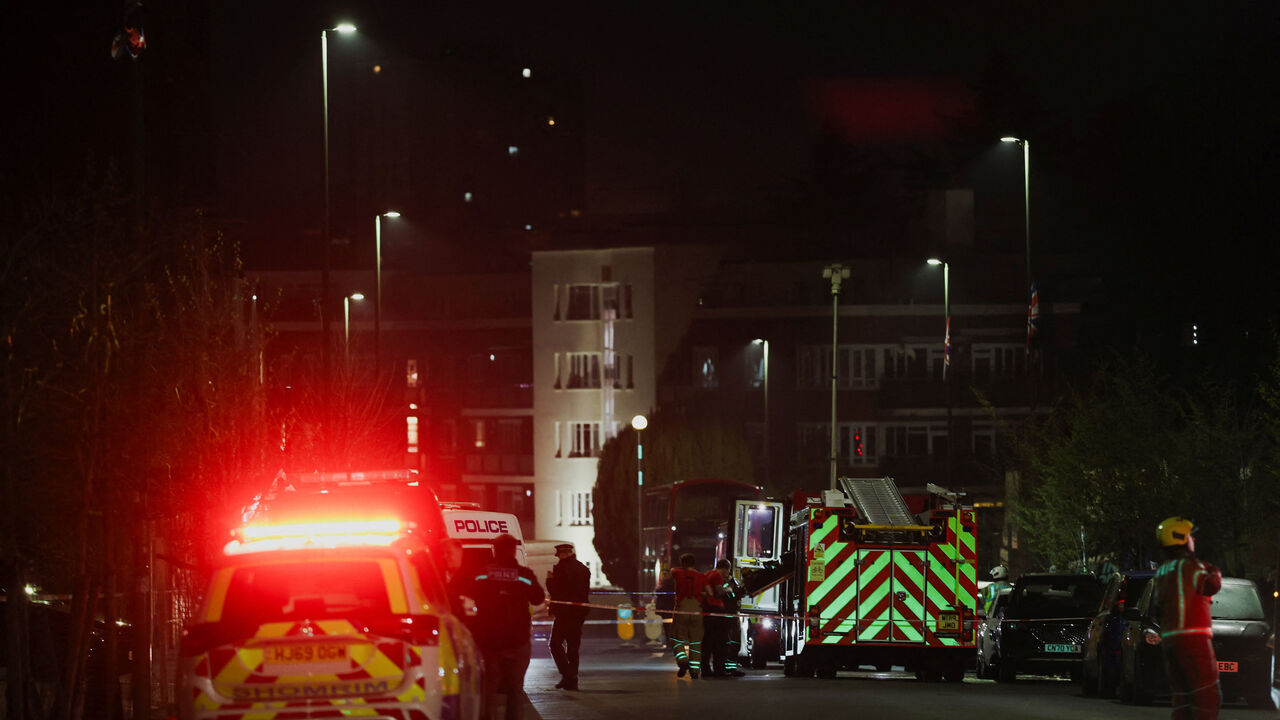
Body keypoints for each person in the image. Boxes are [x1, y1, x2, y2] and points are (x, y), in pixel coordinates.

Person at [453, 534, 546, 720]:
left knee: (489, 690)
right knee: (515, 690)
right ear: (513, 550)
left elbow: (467, 592)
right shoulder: (524, 575)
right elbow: (538, 598)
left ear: (495, 550)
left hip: (489, 642)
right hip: (517, 640)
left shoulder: (483, 574)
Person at [1153, 516, 1222, 720]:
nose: (1193, 540)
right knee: (1206, 696)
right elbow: (1211, 585)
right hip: (1193, 639)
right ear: (1180, 537)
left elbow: (1158, 606)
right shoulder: (1189, 566)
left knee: (1182, 698)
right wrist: (1214, 570)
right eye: (1190, 536)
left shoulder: (1163, 570)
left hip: (1170, 640)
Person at [545, 542, 590, 691]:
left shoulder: (561, 569)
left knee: (555, 644)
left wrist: (549, 580)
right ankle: (572, 682)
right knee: (573, 647)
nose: (558, 558)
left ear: (564, 554)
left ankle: (567, 674)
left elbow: (556, 591)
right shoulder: (584, 569)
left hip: (564, 613)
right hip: (579, 613)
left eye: (559, 555)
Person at [704, 558, 745, 677]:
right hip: (725, 614)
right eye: (729, 570)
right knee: (725, 642)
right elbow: (723, 593)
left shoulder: (712, 576)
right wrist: (734, 592)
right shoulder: (721, 579)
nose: (729, 573)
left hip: (727, 613)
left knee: (730, 642)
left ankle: (728, 668)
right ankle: (721, 669)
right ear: (726, 568)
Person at [669, 553, 708, 679]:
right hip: (697, 609)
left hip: (682, 608)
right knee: (696, 641)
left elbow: (672, 570)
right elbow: (710, 592)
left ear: (684, 564)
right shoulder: (701, 576)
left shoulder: (677, 573)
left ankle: (682, 661)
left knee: (676, 637)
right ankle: (695, 671)